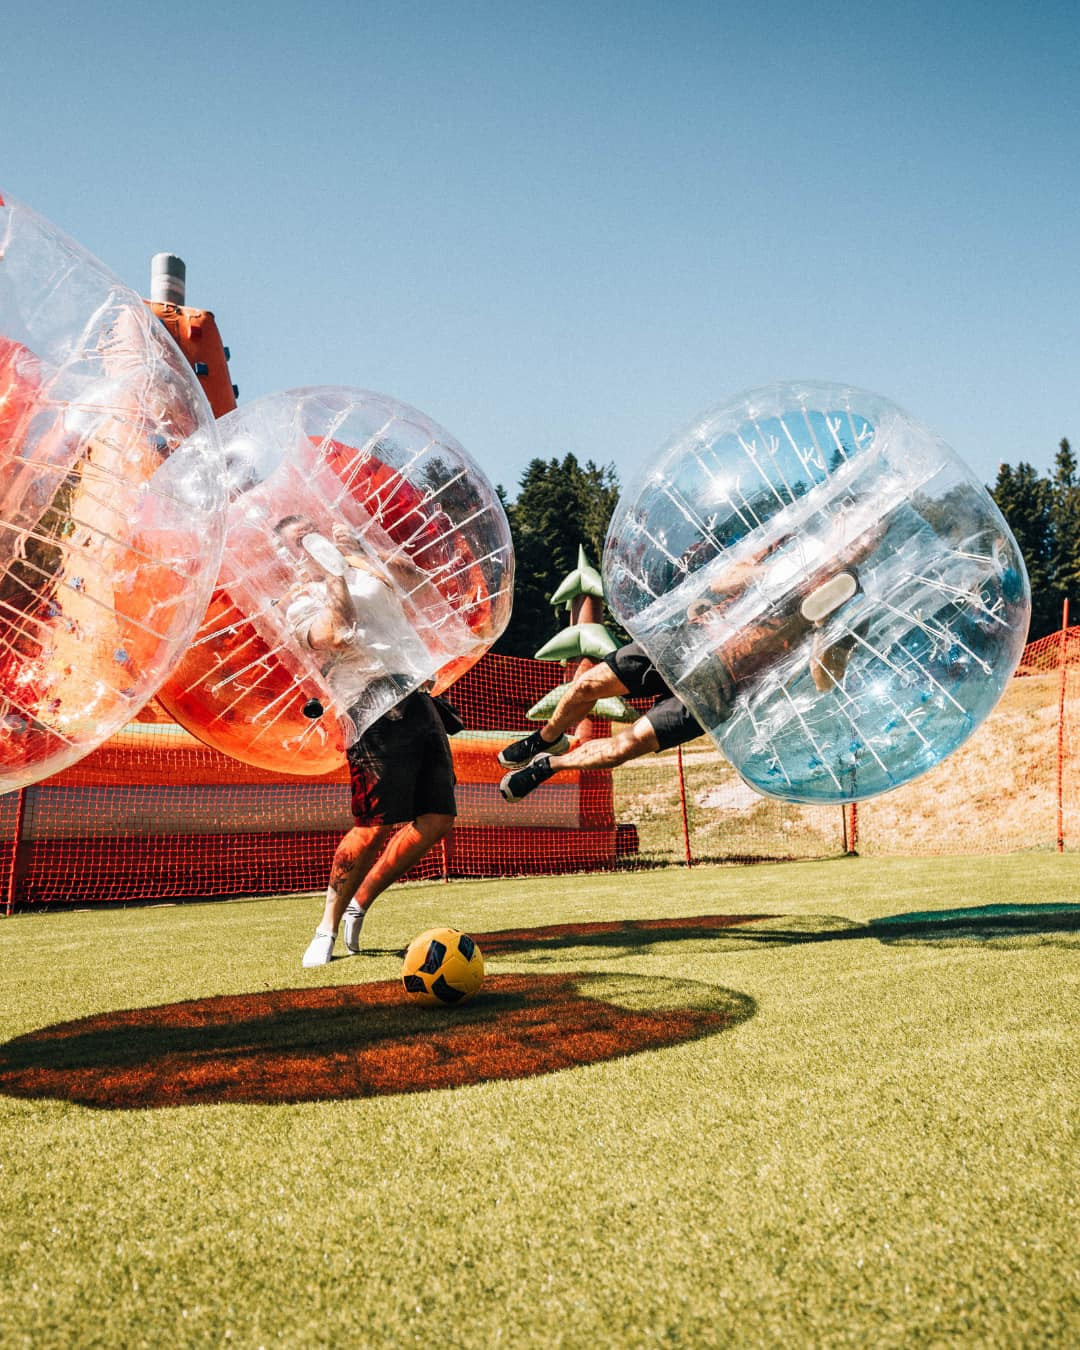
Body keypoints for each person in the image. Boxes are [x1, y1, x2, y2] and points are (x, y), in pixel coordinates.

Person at [498, 549, 868, 804]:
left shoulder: (852, 603)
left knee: (623, 748)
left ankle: (550, 765)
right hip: (690, 641)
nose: (864, 540)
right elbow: (723, 581)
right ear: (841, 520)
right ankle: (546, 739)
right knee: (588, 685)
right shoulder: (792, 545)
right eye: (862, 528)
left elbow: (824, 681)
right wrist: (777, 574)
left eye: (873, 537)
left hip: (721, 690)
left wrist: (824, 631)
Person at [274, 517, 457, 967]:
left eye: (311, 530)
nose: (311, 541)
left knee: (437, 818)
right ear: (289, 556)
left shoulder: (363, 570)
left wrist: (364, 552)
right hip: (368, 705)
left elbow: (418, 580)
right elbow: (339, 630)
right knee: (373, 826)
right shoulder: (298, 601)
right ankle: (327, 925)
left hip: (415, 692)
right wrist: (333, 569)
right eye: (300, 541)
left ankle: (360, 905)